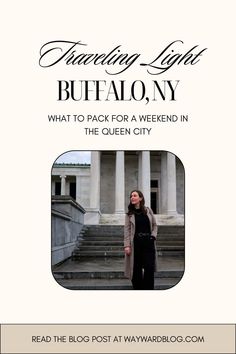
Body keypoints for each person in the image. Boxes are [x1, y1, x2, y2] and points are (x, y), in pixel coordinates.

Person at [124, 190, 158, 290]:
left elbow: (155, 225)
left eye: (134, 195)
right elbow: (127, 230)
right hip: (135, 243)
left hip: (148, 242)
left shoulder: (148, 210)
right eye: (131, 196)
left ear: (140, 198)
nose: (132, 197)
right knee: (136, 269)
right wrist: (127, 245)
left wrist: (153, 236)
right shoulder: (129, 214)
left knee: (149, 268)